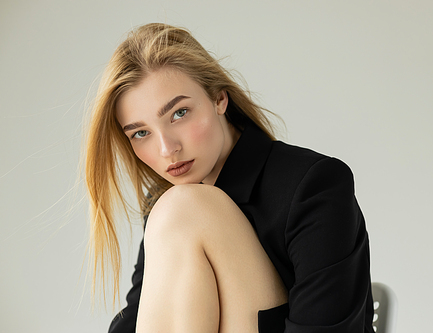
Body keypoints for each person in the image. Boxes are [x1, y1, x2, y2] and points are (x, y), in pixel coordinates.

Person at [85, 23, 374, 333]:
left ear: (219, 99)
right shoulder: (165, 207)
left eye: (179, 113)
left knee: (182, 208)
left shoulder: (313, 185)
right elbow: (138, 317)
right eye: (141, 133)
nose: (167, 149)